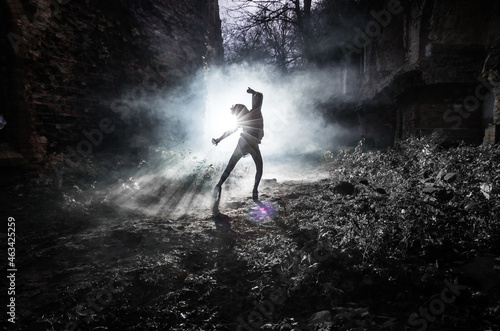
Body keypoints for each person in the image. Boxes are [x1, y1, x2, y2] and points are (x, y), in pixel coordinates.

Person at [211, 87, 264, 216]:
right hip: (250, 143)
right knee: (259, 167)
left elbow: (229, 131)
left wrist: (219, 139)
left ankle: (219, 185)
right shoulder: (253, 113)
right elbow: (260, 97)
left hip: (243, 142)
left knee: (231, 166)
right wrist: (253, 93)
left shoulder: (246, 117)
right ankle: (255, 190)